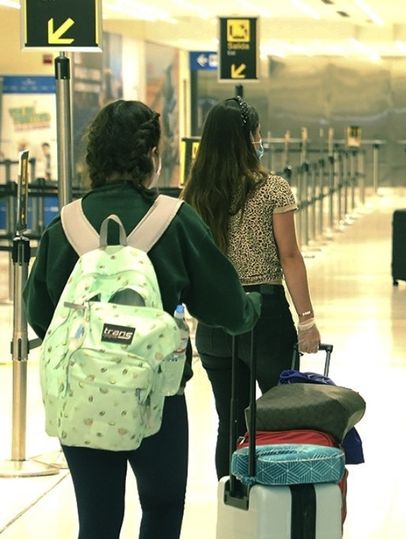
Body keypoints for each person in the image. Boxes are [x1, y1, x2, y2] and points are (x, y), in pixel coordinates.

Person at [24, 100, 261, 539]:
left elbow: (40, 314)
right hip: (158, 391)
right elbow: (227, 310)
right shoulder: (174, 220)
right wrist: (254, 306)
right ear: (152, 155)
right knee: (162, 506)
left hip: (83, 390)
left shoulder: (66, 225)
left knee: (97, 520)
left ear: (94, 156)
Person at [182, 96, 322, 478]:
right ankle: (275, 500)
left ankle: (232, 498)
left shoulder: (194, 194)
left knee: (229, 422)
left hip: (215, 318)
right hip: (266, 316)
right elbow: (289, 256)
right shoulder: (273, 189)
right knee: (281, 419)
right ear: (248, 137)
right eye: (257, 132)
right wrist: (307, 320)